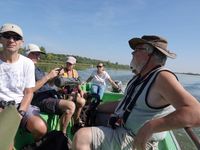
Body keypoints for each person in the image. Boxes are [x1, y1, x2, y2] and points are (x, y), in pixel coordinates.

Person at [72, 35, 200, 150]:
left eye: (137, 49)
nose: (132, 53)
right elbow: (124, 103)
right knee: (94, 115)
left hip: (136, 140)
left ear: (149, 53)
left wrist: (150, 127)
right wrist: (96, 107)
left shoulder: (162, 77)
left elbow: (196, 113)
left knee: (81, 137)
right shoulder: (139, 78)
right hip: (123, 127)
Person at [0, 23, 47, 148]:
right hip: (1, 105)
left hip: (20, 104)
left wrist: (20, 113)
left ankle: (31, 146)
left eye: (16, 37)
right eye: (7, 36)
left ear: (21, 42)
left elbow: (29, 92)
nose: (11, 40)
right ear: (1, 39)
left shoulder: (27, 63)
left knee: (41, 127)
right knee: (5, 140)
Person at [25, 44, 75, 136]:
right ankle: (62, 135)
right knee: (70, 106)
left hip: (49, 94)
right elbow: (29, 90)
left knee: (73, 99)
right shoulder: (26, 68)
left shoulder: (37, 68)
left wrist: (54, 76)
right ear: (28, 53)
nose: (39, 58)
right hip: (40, 99)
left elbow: (49, 84)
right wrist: (48, 76)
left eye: (39, 55)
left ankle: (70, 127)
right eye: (36, 54)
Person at [62, 56, 86, 132]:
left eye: (70, 64)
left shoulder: (75, 72)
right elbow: (58, 86)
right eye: (68, 63)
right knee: (72, 98)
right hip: (65, 93)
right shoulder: (62, 71)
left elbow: (77, 83)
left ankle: (76, 122)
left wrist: (81, 90)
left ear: (74, 65)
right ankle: (64, 129)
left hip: (74, 93)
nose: (68, 65)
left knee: (82, 101)